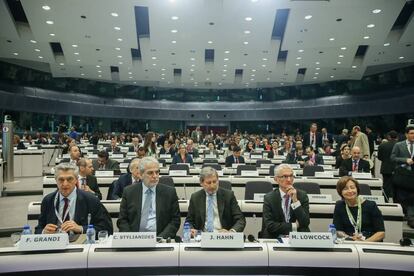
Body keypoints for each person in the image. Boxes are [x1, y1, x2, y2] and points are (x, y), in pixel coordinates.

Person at [35, 163, 113, 235]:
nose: (65, 184)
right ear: (56, 180)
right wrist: (43, 232)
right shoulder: (48, 200)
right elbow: (38, 229)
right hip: (55, 245)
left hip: (82, 245)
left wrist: (81, 229)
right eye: (61, 180)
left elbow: (107, 229)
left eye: (69, 179)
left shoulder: (91, 200)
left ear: (76, 180)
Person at [117, 157, 180, 238]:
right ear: (140, 174)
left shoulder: (169, 192)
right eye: (150, 173)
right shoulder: (129, 192)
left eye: (157, 172)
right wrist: (131, 238)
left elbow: (175, 221)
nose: (155, 176)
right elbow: (122, 220)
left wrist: (160, 238)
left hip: (160, 240)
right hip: (135, 240)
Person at [186, 167, 245, 235]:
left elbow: (240, 219)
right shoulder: (195, 197)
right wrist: (191, 229)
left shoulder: (228, 196)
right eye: (208, 182)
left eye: (214, 181)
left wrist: (231, 232)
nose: (212, 185)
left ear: (218, 181)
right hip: (202, 237)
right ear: (201, 183)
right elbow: (189, 221)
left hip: (223, 237)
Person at [262, 164, 310, 238]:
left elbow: (305, 223)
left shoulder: (302, 195)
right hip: (276, 236)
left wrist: (295, 201)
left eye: (291, 176)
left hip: (298, 236)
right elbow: (270, 225)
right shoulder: (269, 198)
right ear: (276, 179)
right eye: (284, 176)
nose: (289, 180)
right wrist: (294, 225)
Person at [333, 176, 385, 242]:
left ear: (357, 189)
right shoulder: (339, 205)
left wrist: (364, 243)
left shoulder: (371, 205)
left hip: (369, 243)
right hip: (349, 243)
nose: (350, 191)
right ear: (340, 192)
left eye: (352, 187)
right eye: (345, 189)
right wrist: (350, 238)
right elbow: (338, 230)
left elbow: (381, 233)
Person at [391, 126, 414, 228]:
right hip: (402, 177)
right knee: (403, 198)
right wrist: (405, 160)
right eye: (411, 133)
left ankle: (411, 218)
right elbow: (392, 158)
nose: (413, 135)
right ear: (406, 134)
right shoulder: (398, 145)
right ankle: (407, 216)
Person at [377, 130, 398, 201]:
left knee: (386, 185)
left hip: (385, 168)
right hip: (397, 168)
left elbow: (379, 157)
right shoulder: (399, 145)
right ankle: (396, 201)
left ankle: (385, 200)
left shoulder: (382, 145)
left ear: (389, 137)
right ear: (397, 137)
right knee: (396, 186)